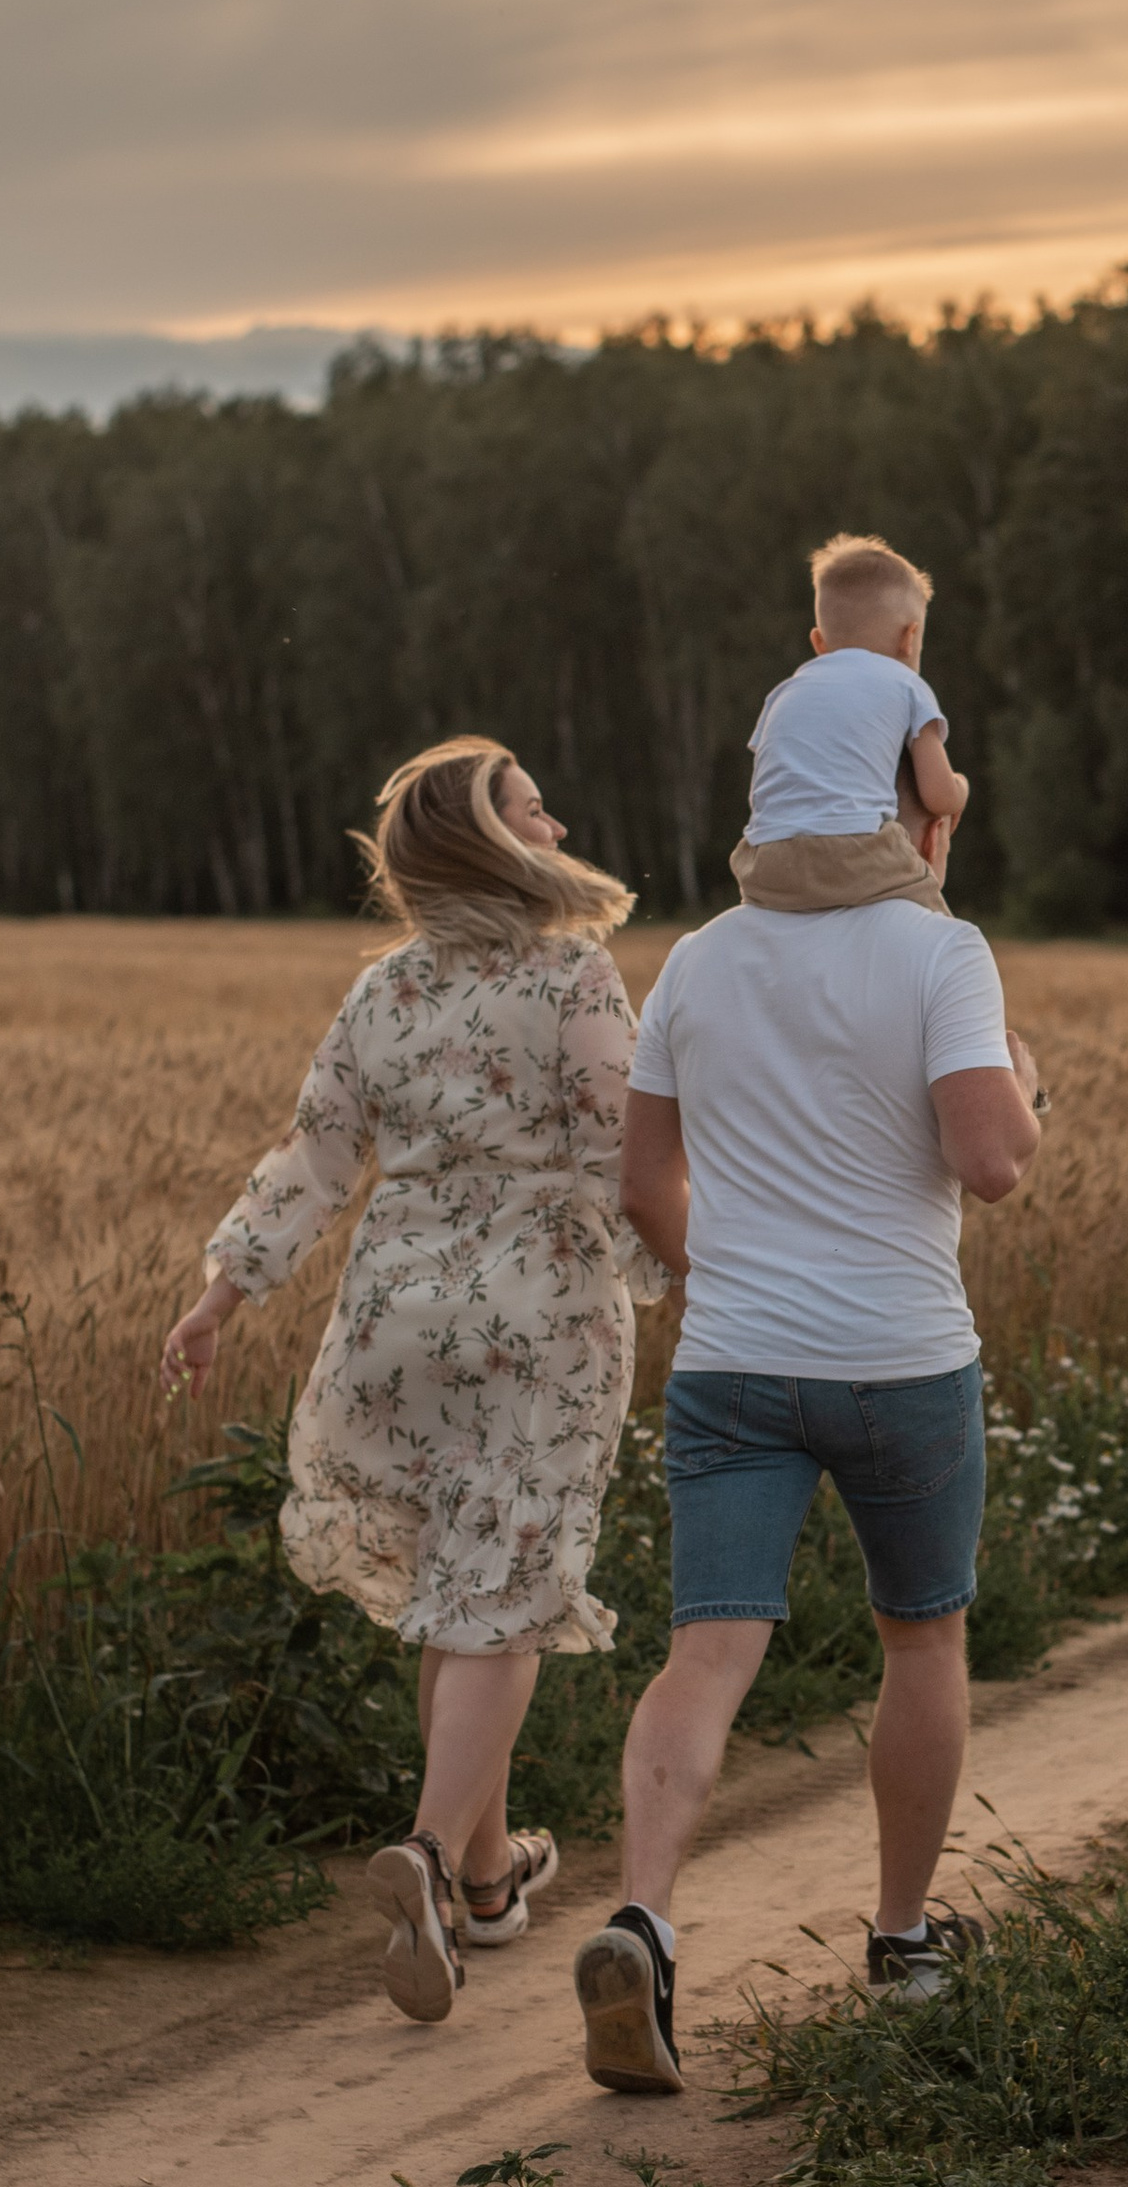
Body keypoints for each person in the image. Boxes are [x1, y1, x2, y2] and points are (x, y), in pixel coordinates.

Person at [158, 737, 665, 2023]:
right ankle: (432, 1858)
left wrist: (224, 1292)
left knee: (459, 1580)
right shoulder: (573, 974)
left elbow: (314, 1158)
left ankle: (492, 1877)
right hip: (538, 1307)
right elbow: (630, 1150)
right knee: (509, 1583)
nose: (556, 824)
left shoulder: (381, 990)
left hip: (397, 1307)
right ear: (488, 841)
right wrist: (693, 1276)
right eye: (532, 809)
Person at [570, 770, 1040, 2094]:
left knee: (709, 1650)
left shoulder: (701, 960)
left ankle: (644, 1921)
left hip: (732, 1362)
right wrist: (1022, 1084)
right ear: (909, 818)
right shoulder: (943, 953)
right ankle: (902, 1940)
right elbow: (994, 1160)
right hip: (901, 1364)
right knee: (923, 1632)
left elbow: (645, 1176)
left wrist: (713, 1279)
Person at [725, 533, 971, 917]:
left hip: (763, 865)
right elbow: (938, 796)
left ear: (819, 642)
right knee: (932, 919)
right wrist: (962, 787)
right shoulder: (906, 684)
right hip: (853, 853)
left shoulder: (782, 693)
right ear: (910, 638)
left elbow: (767, 785)